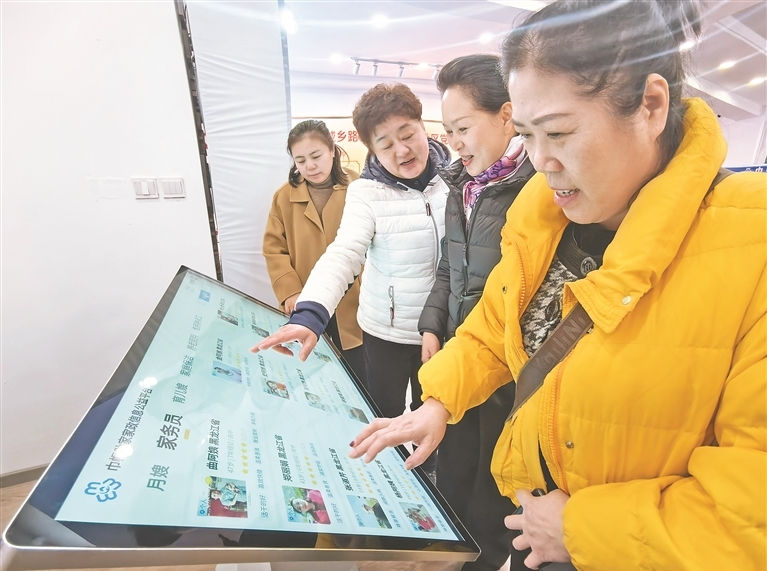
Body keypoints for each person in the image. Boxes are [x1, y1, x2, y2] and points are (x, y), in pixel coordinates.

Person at [349, 1, 766, 570]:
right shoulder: (541, 213)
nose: (541, 161)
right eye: (526, 135)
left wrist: (579, 529)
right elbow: (496, 325)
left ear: (650, 106)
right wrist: (438, 401)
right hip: (536, 533)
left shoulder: (751, 241)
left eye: (559, 132)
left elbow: (750, 512)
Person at [254, 84, 452, 474]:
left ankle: (428, 478)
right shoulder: (365, 192)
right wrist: (309, 313)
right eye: (385, 144)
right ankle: (386, 478)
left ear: (423, 126)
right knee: (381, 410)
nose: (401, 150)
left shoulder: (457, 181)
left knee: (434, 413)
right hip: (385, 329)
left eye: (408, 135)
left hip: (443, 329)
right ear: (371, 149)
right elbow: (344, 252)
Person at [417, 54, 535, 571]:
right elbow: (450, 265)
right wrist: (432, 324)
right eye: (448, 131)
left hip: (508, 372)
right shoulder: (461, 186)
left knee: (493, 499)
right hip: (460, 357)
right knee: (453, 474)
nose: (455, 142)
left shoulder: (537, 189)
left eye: (463, 128)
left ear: (507, 115)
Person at [263, 119, 366, 385]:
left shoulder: (360, 187)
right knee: (313, 378)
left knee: (360, 378)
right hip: (305, 301)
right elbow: (274, 249)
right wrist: (290, 291)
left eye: (316, 156)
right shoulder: (284, 197)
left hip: (356, 302)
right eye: (301, 160)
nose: (310, 166)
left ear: (332, 150)